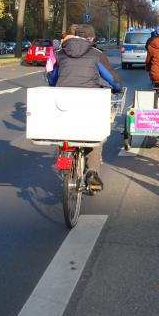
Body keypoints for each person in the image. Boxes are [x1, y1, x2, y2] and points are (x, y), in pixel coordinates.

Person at [55, 24, 122, 192]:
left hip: (63, 104)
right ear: (91, 39)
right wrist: (117, 86)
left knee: (65, 131)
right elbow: (110, 78)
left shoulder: (60, 53)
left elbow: (53, 78)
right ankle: (92, 172)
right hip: (88, 104)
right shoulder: (95, 54)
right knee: (95, 135)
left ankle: (65, 157)